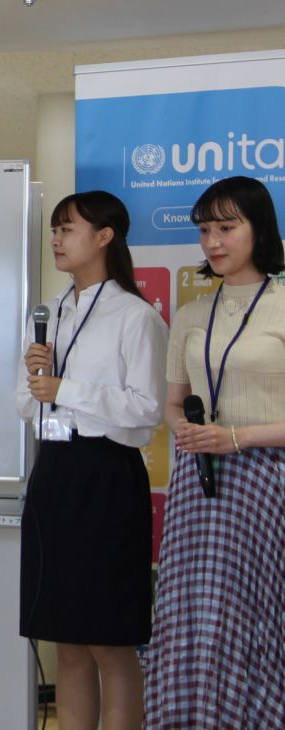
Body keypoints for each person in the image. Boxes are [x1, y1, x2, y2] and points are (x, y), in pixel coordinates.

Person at [16, 191, 167, 730]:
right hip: (53, 473)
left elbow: (147, 410)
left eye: (67, 229)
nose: (56, 239)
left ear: (104, 237)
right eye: (54, 230)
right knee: (67, 640)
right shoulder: (49, 312)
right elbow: (22, 402)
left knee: (109, 640)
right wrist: (38, 383)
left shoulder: (135, 315)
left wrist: (66, 387)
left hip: (106, 477)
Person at [145, 176, 285, 728]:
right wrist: (187, 430)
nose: (213, 242)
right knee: (194, 617)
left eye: (227, 228)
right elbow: (173, 404)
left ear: (259, 228)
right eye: (205, 230)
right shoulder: (191, 315)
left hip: (268, 481)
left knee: (259, 615)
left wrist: (236, 438)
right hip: (199, 484)